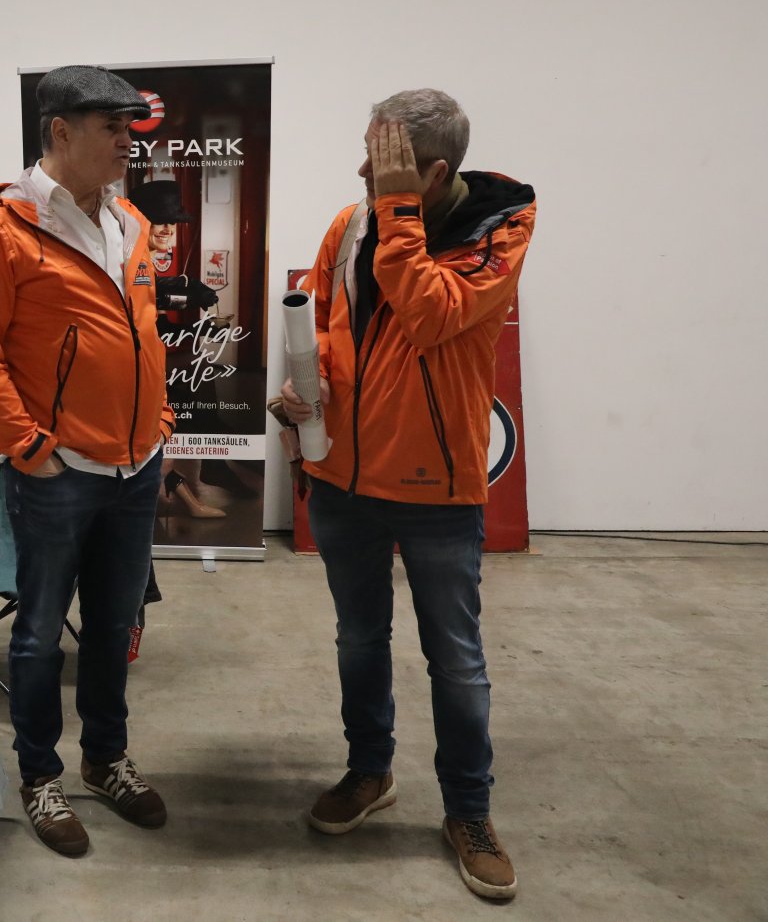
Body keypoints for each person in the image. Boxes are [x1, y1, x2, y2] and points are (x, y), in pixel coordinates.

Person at [281, 89, 536, 901]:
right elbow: (327, 324)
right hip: (342, 480)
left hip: (437, 494)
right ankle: (370, 770)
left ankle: (469, 810)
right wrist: (307, 390)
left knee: (455, 659)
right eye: (367, 151)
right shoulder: (349, 226)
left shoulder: (496, 231)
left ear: (433, 171)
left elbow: (429, 312)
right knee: (359, 638)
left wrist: (395, 211)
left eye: (382, 159)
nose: (363, 169)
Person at [0, 65, 175, 857]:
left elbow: (143, 334)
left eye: (129, 128)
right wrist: (29, 446)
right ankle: (40, 774)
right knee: (41, 631)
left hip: (134, 467)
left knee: (114, 624)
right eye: (111, 127)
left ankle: (106, 759)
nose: (126, 142)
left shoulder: (130, 221)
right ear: (59, 131)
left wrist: (160, 421)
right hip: (59, 472)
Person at [130, 179, 225, 521]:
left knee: (200, 390)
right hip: (131, 369)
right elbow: (148, 298)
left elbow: (159, 321)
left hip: (151, 363)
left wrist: (201, 327)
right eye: (160, 221)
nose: (168, 229)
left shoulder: (147, 260)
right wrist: (188, 290)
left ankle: (188, 485)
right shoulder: (131, 259)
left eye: (172, 222)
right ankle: (183, 487)